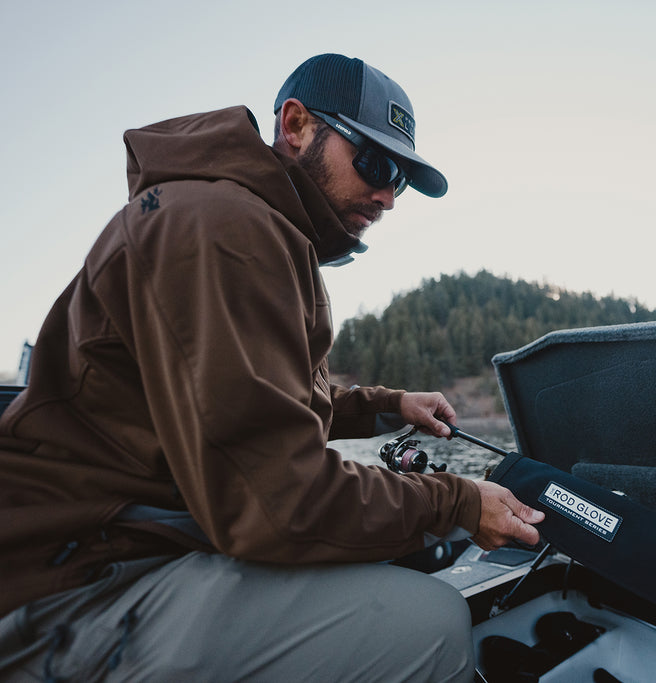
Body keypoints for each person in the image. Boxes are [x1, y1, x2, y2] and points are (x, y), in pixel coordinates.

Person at [0, 53, 544, 682]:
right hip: (71, 588)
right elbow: (279, 504)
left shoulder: (246, 222)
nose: (388, 195)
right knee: (432, 625)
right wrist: (458, 500)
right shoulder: (222, 229)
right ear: (295, 125)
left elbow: (255, 398)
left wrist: (387, 405)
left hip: (128, 546)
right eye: (375, 162)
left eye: (400, 178)